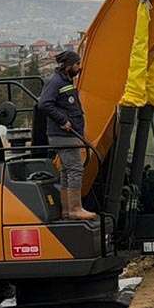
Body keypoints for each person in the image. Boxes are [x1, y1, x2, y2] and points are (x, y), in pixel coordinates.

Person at [37, 50, 96, 221]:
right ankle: (76, 209)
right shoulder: (56, 82)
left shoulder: (65, 81)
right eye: (77, 64)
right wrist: (63, 120)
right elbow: (44, 103)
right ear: (68, 65)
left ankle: (67, 211)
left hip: (68, 134)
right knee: (76, 169)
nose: (80, 67)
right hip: (63, 134)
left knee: (65, 171)